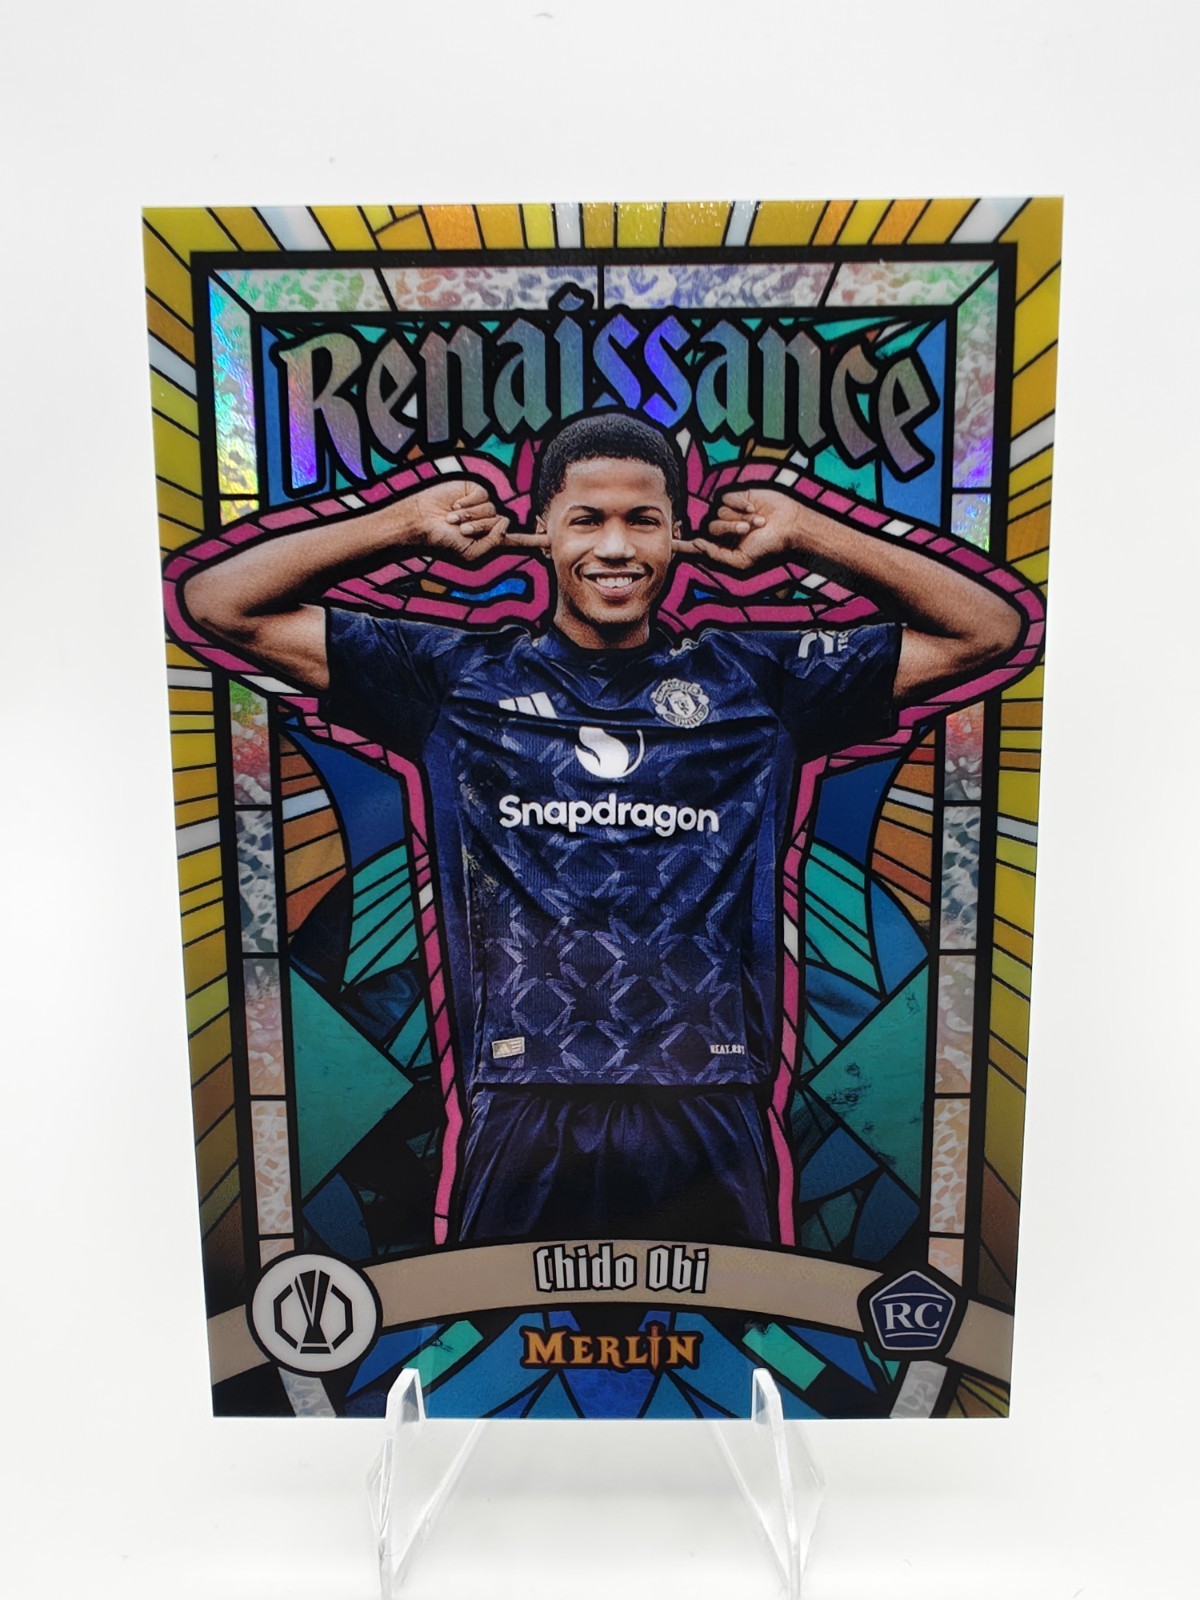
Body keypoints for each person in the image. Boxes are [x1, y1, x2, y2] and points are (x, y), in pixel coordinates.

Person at [183, 413, 1020, 1247]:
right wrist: (401, 525)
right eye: (587, 519)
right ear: (540, 529)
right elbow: (222, 606)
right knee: (497, 1320)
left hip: (709, 1103)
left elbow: (984, 632)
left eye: (642, 520)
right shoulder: (455, 678)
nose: (615, 547)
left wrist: (808, 533)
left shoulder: (755, 681)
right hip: (522, 1105)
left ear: (678, 534)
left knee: (732, 1322)